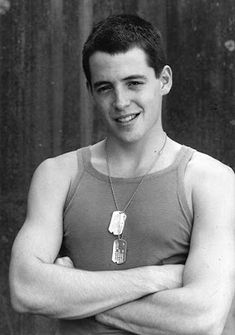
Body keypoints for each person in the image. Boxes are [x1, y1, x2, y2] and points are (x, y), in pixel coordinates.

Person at [9, 14, 235, 335]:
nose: (120, 102)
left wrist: (74, 296)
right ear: (90, 91)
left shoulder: (211, 180)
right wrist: (155, 279)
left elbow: (202, 319)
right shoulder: (57, 176)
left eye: (134, 83)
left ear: (164, 80)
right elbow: (26, 290)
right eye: (105, 87)